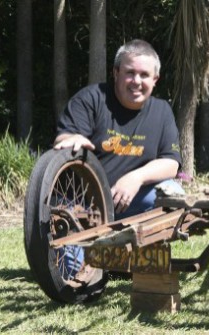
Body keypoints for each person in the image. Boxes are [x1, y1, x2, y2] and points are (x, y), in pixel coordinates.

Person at [53, 39, 185, 280]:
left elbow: (171, 163)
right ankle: (110, 254)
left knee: (172, 191)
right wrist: (73, 140)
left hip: (129, 203)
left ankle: (135, 255)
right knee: (72, 275)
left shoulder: (162, 111)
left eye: (144, 75)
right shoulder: (91, 99)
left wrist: (136, 177)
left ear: (155, 80)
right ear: (115, 73)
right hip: (80, 208)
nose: (136, 81)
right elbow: (64, 137)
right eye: (129, 73)